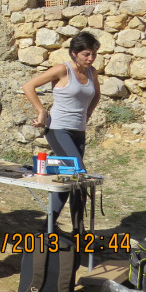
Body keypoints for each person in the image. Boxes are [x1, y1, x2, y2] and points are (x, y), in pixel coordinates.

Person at [22, 31, 101, 230]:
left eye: (93, 54)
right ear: (74, 53)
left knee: (70, 179)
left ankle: (49, 226)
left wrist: (88, 114)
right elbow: (29, 86)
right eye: (86, 54)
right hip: (57, 129)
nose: (90, 58)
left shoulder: (92, 72)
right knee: (79, 175)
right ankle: (78, 231)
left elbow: (96, 95)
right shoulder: (62, 70)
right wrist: (41, 111)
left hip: (78, 131)